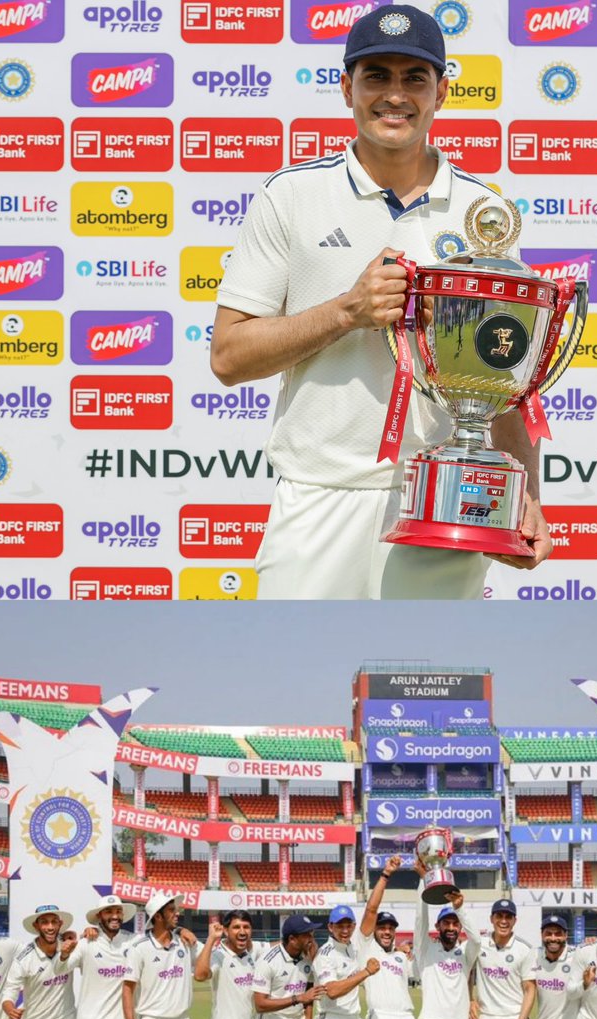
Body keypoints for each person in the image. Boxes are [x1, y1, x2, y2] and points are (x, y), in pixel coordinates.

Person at [209, 4, 553, 599]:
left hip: (450, 499)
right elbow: (229, 358)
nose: (395, 95)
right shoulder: (290, 196)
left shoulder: (485, 214)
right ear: (347, 88)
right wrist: (346, 311)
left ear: (442, 91)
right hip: (320, 495)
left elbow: (504, 376)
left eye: (414, 78)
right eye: (377, 76)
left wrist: (528, 498)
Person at [412, 863, 481, 1019]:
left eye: (455, 924)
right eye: (446, 923)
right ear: (438, 926)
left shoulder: (465, 953)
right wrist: (424, 882)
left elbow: (477, 940)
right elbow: (419, 921)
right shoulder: (426, 951)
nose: (451, 928)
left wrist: (460, 908)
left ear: (460, 927)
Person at [123, 892, 199, 1019]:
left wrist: (183, 930)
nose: (177, 913)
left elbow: (207, 957)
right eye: (172, 910)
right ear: (157, 916)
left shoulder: (184, 942)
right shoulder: (139, 948)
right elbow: (127, 991)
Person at [62, 893, 138, 1019]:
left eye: (118, 911)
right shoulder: (86, 943)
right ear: (99, 917)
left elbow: (157, 939)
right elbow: (61, 968)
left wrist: (178, 931)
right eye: (109, 912)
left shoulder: (133, 941)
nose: (114, 916)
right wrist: (65, 949)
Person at [356, 855, 417, 1019]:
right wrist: (386, 874)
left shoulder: (401, 957)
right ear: (374, 930)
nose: (387, 931)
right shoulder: (366, 948)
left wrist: (404, 953)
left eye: (391, 928)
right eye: (382, 927)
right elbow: (371, 910)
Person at [2, 904, 78, 1019]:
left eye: (53, 922)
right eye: (44, 922)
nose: (50, 927)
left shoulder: (70, 947)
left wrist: (91, 931)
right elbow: (9, 992)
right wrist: (9, 1009)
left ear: (60, 924)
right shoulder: (24, 958)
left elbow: (90, 944)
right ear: (36, 926)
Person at [470, 899, 537, 1019]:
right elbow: (467, 970)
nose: (504, 921)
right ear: (491, 918)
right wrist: (470, 999)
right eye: (499, 916)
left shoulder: (525, 949)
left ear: (515, 920)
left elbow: (530, 989)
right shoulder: (479, 944)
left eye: (508, 917)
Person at [253, 914, 325, 1019]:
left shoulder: (308, 956)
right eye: (306, 934)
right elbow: (260, 1004)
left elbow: (309, 986)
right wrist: (297, 999)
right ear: (292, 939)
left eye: (312, 933)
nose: (311, 938)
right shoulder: (267, 961)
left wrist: (308, 1018)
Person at [194, 909, 262, 1019]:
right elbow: (200, 975)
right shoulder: (219, 955)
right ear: (225, 930)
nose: (242, 932)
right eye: (236, 927)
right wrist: (211, 939)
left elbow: (278, 946)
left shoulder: (251, 954)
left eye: (246, 927)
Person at [313, 904, 379, 1019]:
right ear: (330, 927)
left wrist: (386, 875)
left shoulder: (353, 947)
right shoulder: (325, 954)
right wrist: (365, 972)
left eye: (348, 926)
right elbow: (332, 990)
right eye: (339, 926)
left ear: (354, 926)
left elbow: (371, 913)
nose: (344, 930)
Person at [529, 914, 578, 1019]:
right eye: (548, 933)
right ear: (542, 935)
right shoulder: (533, 956)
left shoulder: (578, 957)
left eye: (558, 934)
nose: (553, 938)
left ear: (566, 935)